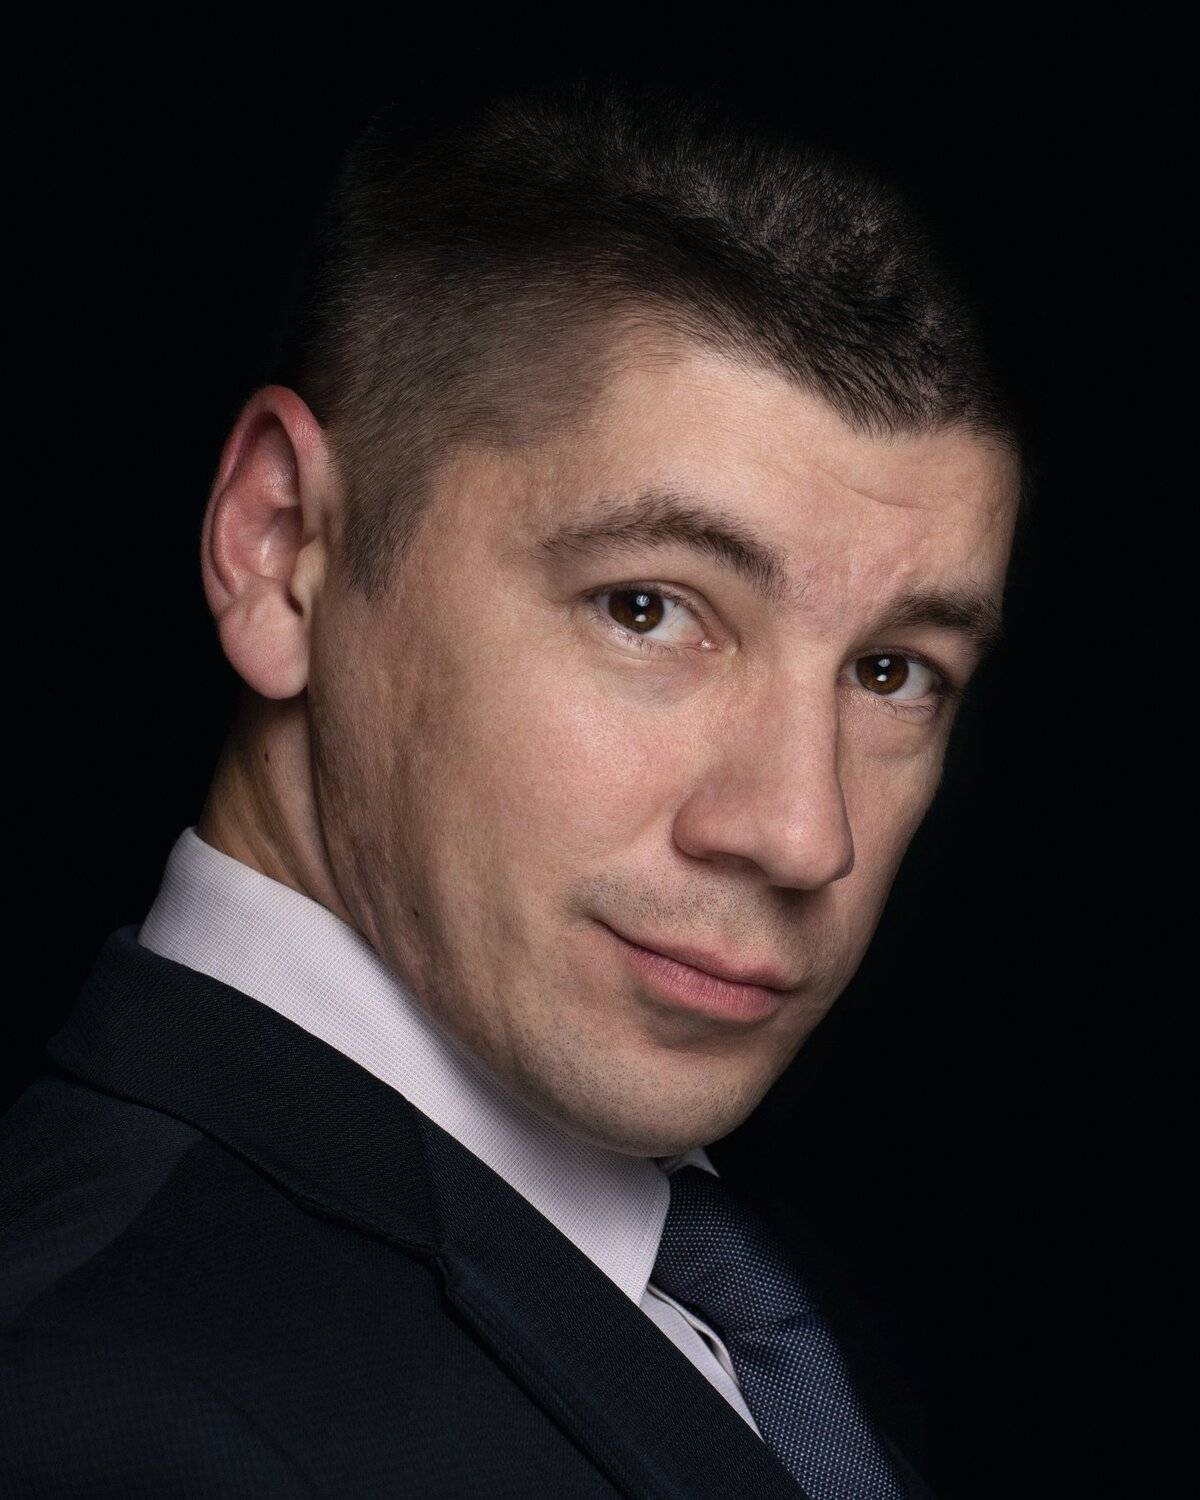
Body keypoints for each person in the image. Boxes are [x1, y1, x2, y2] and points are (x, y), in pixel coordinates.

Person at [1, 81, 1023, 1498]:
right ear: (281, 548)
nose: (805, 834)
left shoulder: (741, 1296)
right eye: (649, 609)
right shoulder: (101, 1416)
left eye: (892, 672)